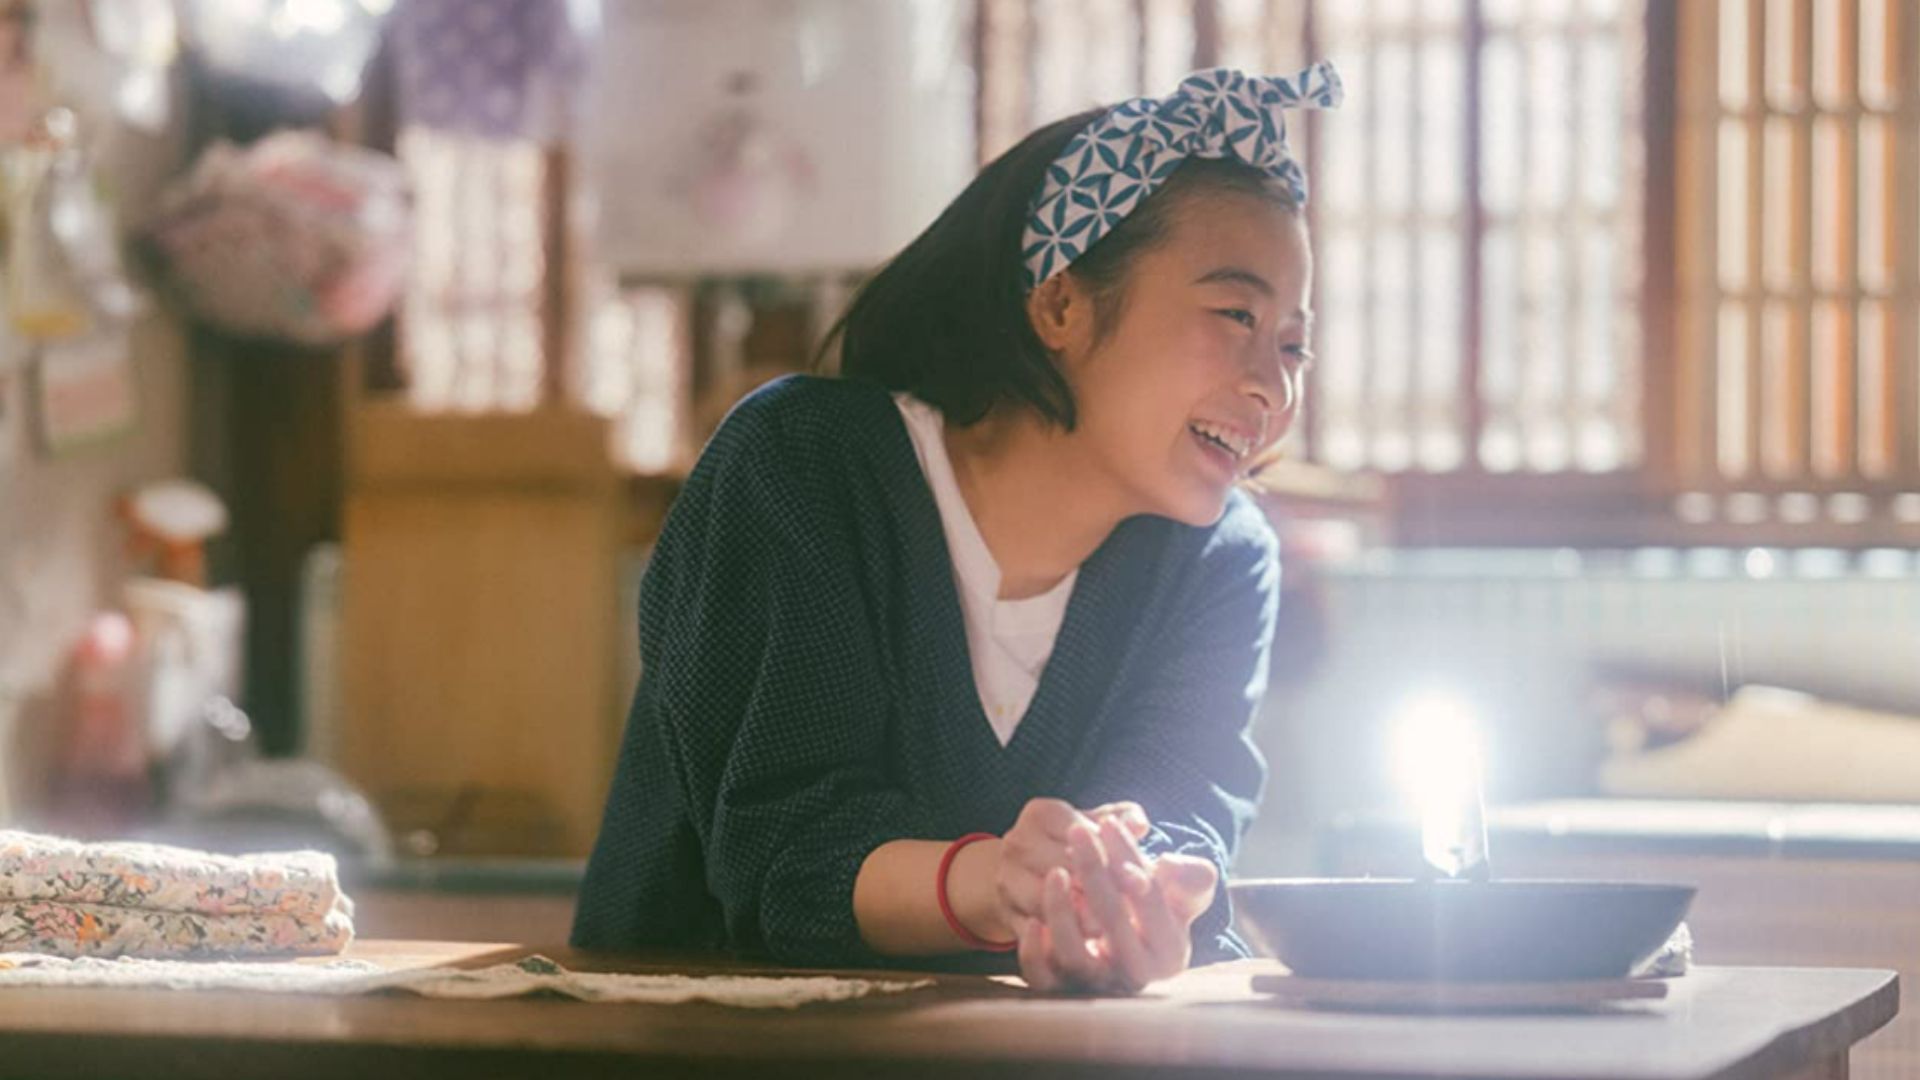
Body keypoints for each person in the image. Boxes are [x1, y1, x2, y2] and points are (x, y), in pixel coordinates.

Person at [573, 63, 1342, 994]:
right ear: (1060, 303)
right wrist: (997, 885)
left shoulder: (1221, 560)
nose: (1274, 383)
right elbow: (784, 861)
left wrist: (1134, 908)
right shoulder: (804, 465)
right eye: (1236, 314)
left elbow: (1174, 817)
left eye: (1294, 343)